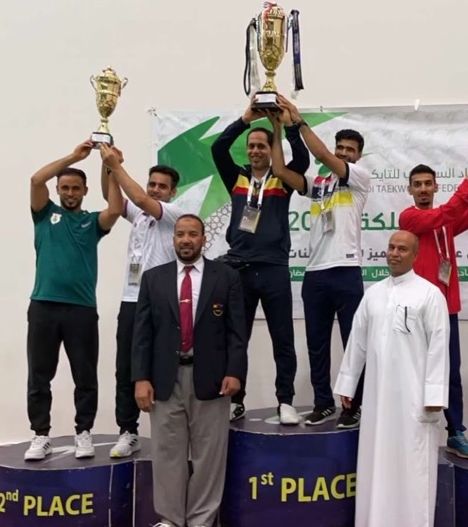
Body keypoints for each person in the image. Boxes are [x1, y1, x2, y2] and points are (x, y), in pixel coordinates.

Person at [132, 214, 247, 527]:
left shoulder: (225, 277)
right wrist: (141, 378)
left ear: (203, 239)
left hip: (211, 378)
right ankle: (171, 522)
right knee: (167, 453)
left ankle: (201, 522)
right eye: (180, 234)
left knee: (209, 454)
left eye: (192, 234)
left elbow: (237, 331)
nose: (186, 240)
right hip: (164, 378)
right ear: (174, 239)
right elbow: (142, 335)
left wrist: (235, 371)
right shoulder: (154, 279)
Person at [334, 230, 449, 527]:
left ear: (415, 255)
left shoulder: (429, 295)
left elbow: (440, 347)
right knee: (376, 462)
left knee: (413, 467)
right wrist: (348, 384)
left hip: (415, 399)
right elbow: (357, 341)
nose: (394, 253)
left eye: (402, 249)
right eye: (391, 247)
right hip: (377, 398)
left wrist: (434, 394)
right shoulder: (374, 294)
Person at [210, 95, 310, 424]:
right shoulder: (236, 177)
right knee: (237, 339)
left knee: (283, 338)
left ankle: (286, 401)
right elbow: (218, 148)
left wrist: (285, 128)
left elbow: (303, 160)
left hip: (273, 268)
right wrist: (246, 119)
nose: (255, 151)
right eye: (251, 146)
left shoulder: (283, 178)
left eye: (261, 146)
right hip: (238, 268)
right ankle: (236, 400)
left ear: (270, 149)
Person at [24, 141, 123, 461]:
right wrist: (74, 156)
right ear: (58, 189)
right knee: (39, 375)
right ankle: (41, 434)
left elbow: (115, 210)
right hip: (43, 306)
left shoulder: (92, 222)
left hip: (81, 310)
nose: (70, 193)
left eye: (75, 188)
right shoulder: (44, 214)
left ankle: (84, 432)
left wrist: (111, 167)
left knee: (85, 375)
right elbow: (36, 180)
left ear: (84, 191)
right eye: (65, 187)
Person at [278, 95, 370, 429]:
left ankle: (354, 405)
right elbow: (280, 171)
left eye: (349, 150)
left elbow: (321, 155)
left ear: (357, 156)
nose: (343, 153)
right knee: (316, 345)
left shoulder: (359, 177)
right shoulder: (319, 185)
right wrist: (278, 128)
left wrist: (299, 121)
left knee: (353, 344)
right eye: (340, 147)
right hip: (315, 273)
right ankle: (323, 403)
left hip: (346, 271)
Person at [99, 149, 186, 458]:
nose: (155, 189)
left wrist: (116, 166)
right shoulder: (139, 215)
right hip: (131, 300)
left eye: (162, 186)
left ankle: (169, 432)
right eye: (152, 184)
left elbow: (136, 197)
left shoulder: (173, 213)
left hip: (162, 302)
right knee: (126, 367)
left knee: (162, 368)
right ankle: (128, 431)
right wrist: (107, 167)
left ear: (172, 192)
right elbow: (111, 199)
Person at [398, 157, 468, 459]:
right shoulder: (409, 218)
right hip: (416, 311)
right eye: (417, 185)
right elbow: (449, 212)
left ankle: (456, 431)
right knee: (413, 372)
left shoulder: (444, 223)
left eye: (428, 184)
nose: (423, 189)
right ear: (410, 190)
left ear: (436, 187)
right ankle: (410, 430)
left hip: (447, 309)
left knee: (451, 374)